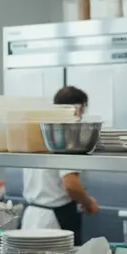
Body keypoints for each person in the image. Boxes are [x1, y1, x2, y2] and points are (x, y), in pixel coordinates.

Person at [20, 86, 98, 245]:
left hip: (31, 216)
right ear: (78, 108)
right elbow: (70, 184)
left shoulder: (41, 132)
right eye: (83, 109)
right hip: (54, 221)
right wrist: (88, 202)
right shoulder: (66, 136)